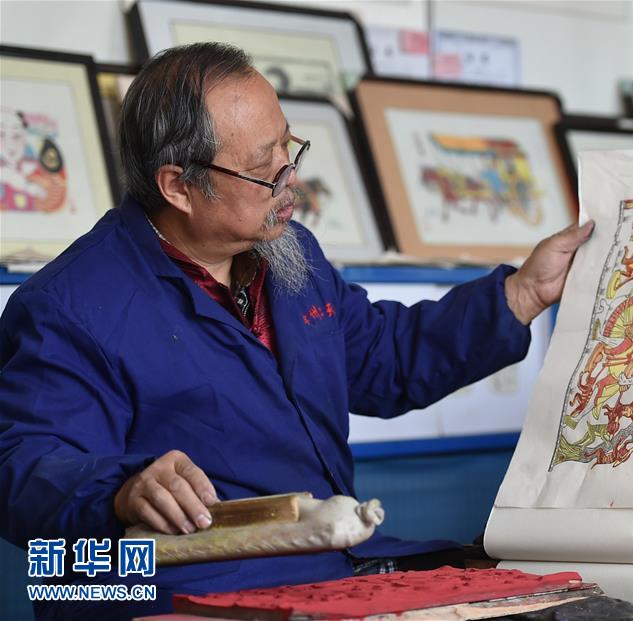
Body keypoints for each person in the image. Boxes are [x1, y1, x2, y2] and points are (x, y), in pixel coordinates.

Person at [0, 43, 594, 620]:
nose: (292, 179)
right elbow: (21, 469)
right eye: (264, 166)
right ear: (177, 186)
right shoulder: (69, 306)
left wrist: (520, 294)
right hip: (183, 592)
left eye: (290, 146)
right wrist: (120, 488)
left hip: (333, 569)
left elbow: (383, 360)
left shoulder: (288, 255)